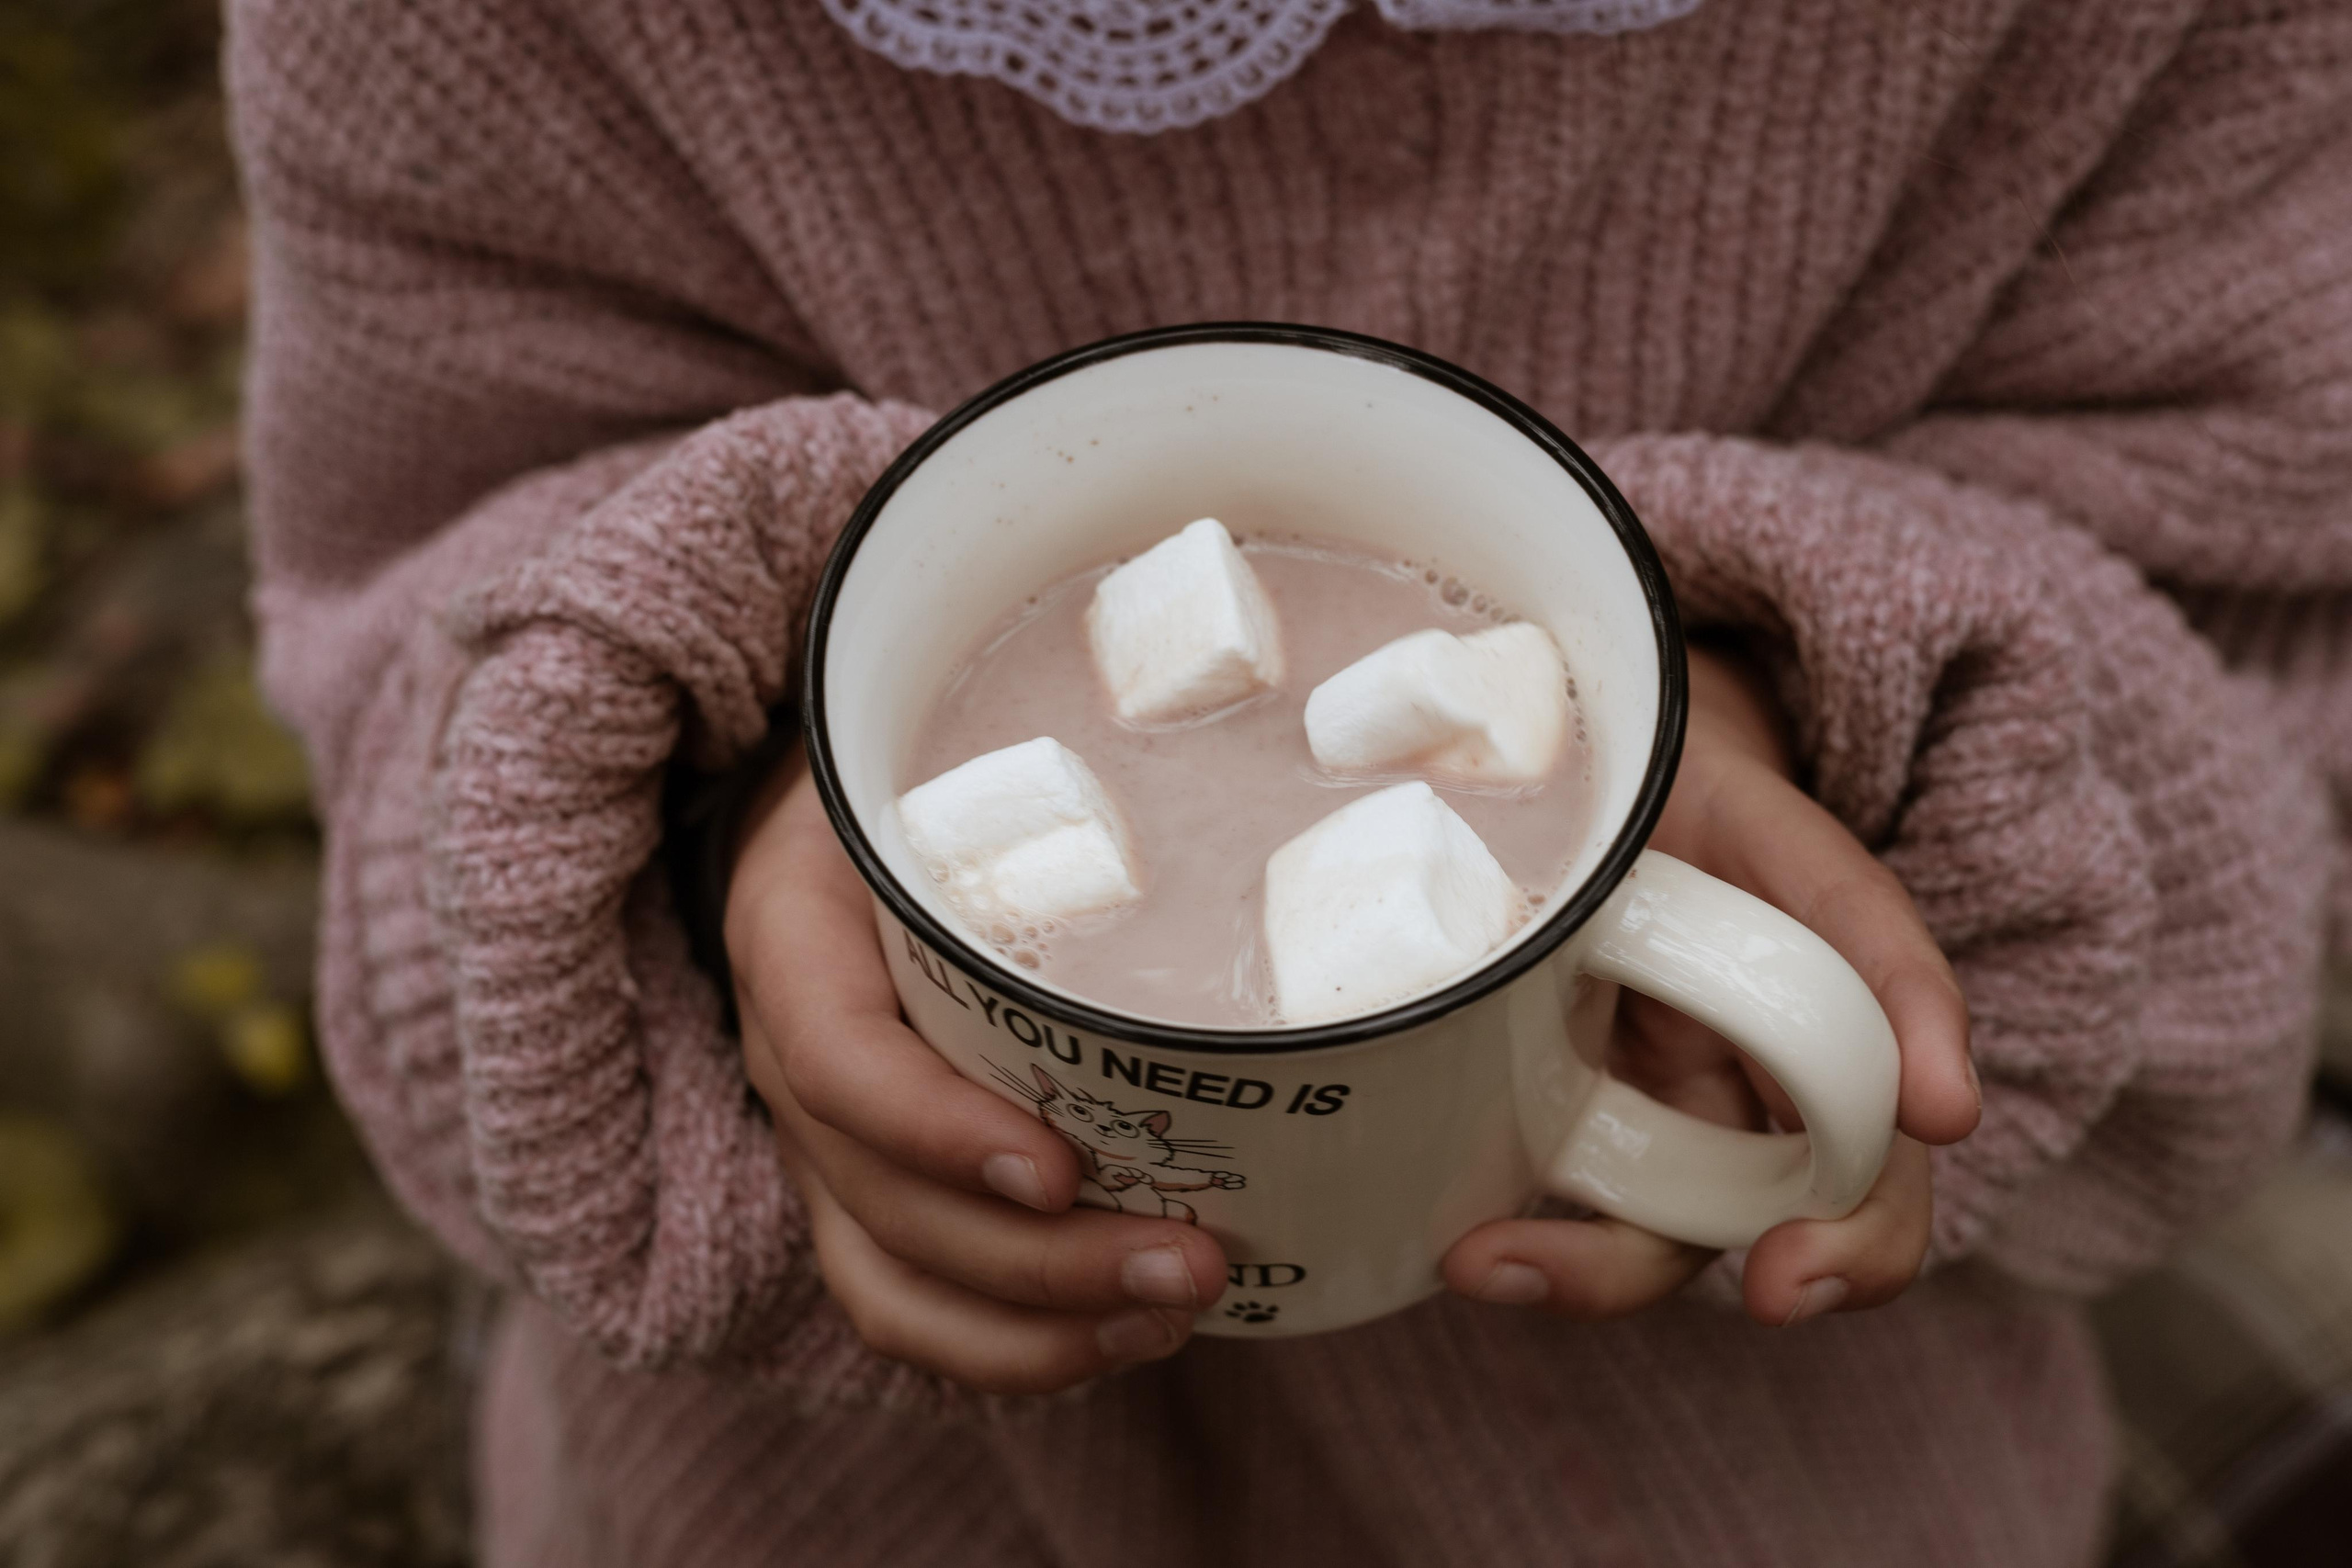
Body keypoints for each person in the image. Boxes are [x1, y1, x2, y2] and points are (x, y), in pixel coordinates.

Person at [224, 1, 2349, 1563]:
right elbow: (422, 650)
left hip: (1802, 1485)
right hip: (815, 1504)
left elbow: (2279, 649)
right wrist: (704, 860)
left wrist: (1872, 751)